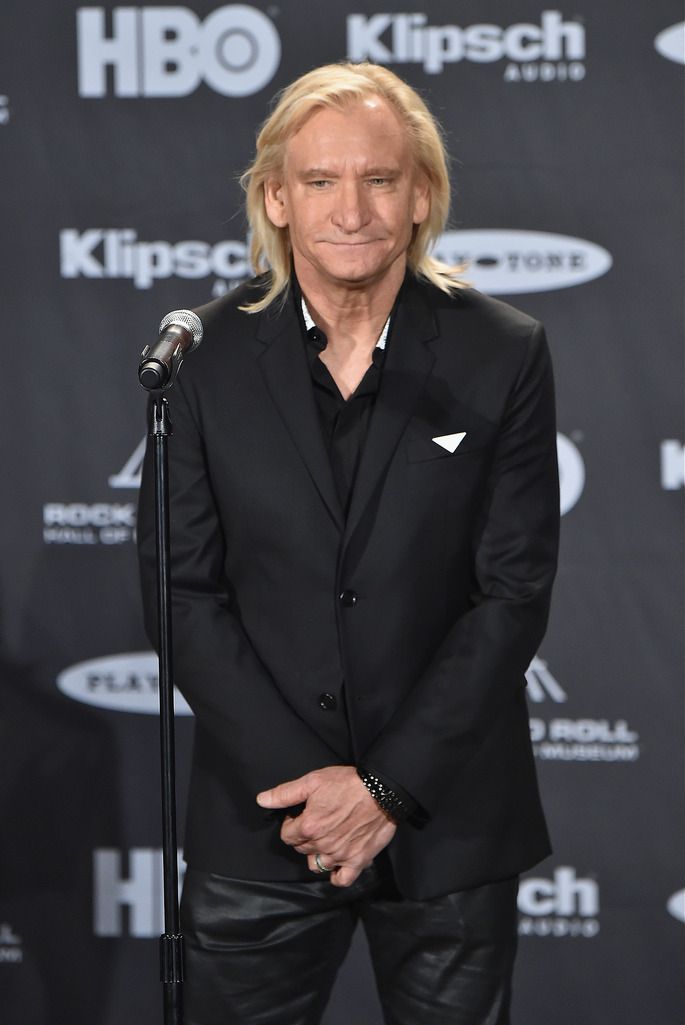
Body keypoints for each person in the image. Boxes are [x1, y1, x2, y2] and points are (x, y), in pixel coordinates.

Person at [138, 61, 559, 1025]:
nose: (351, 208)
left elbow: (510, 596)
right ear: (276, 200)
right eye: (320, 181)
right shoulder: (199, 360)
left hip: (447, 823)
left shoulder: (504, 351)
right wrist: (318, 799)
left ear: (420, 197)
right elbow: (182, 594)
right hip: (265, 823)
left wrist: (383, 787)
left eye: (378, 179)